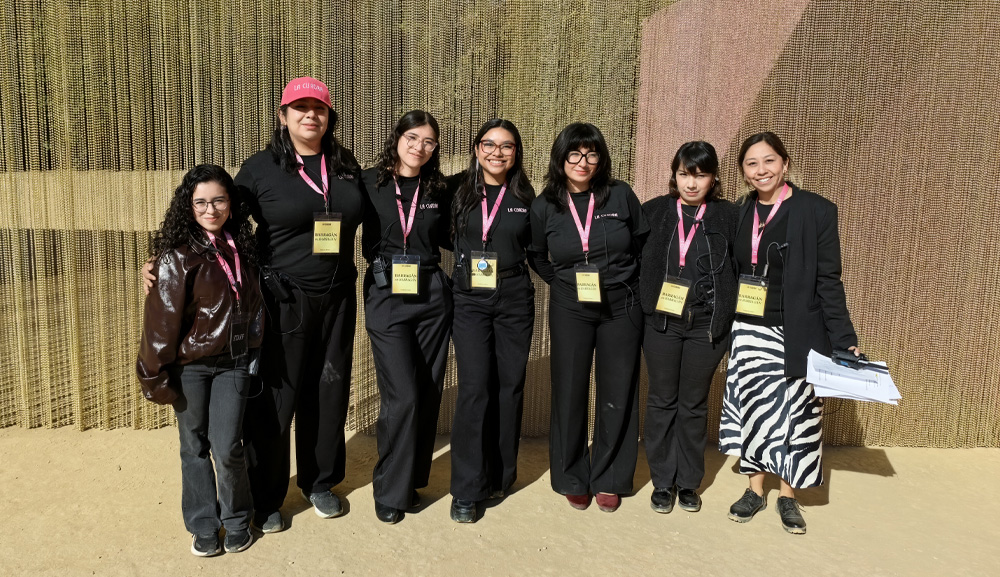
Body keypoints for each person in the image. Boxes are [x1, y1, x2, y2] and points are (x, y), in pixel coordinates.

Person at [145, 77, 365, 532]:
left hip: (338, 295)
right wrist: (161, 259)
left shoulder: (344, 165)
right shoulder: (260, 169)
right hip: (284, 299)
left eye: (318, 108)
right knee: (277, 400)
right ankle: (267, 496)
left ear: (329, 117)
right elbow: (213, 216)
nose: (310, 115)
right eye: (299, 108)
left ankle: (320, 481)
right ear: (282, 116)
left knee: (328, 390)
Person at [719, 131, 862, 535]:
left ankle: (788, 496)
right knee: (755, 412)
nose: (761, 170)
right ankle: (754, 490)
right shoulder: (740, 212)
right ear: (744, 173)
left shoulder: (817, 211)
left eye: (768, 161)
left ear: (784, 163)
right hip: (749, 329)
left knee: (796, 416)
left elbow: (829, 280)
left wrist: (843, 336)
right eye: (751, 163)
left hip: (795, 330)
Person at [137, 164, 263, 557]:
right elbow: (161, 325)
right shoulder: (177, 258)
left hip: (234, 363)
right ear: (188, 206)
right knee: (193, 445)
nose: (211, 209)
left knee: (227, 446)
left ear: (231, 203)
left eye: (219, 200)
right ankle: (203, 523)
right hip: (191, 367)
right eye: (201, 202)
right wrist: (153, 377)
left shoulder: (243, 245)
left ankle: (237, 518)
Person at [528, 122, 649, 513]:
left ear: (601, 158)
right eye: (574, 154)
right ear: (560, 158)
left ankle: (611, 476)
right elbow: (535, 255)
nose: (583, 162)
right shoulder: (545, 204)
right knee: (569, 389)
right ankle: (571, 474)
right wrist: (563, 284)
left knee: (618, 391)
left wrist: (629, 283)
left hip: (621, 306)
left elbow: (643, 244)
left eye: (591, 153)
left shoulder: (621, 195)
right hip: (570, 308)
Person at [361, 110, 453, 524]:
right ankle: (390, 490)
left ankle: (412, 479)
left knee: (428, 391)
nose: (419, 147)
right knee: (403, 395)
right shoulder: (367, 182)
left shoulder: (441, 187)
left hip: (432, 292)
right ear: (396, 138)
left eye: (429, 142)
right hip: (386, 294)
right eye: (412, 137)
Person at [640, 141, 738, 515]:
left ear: (713, 178)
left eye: (700, 175)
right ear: (674, 176)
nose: (691, 184)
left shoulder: (729, 216)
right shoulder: (654, 212)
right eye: (684, 174)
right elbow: (635, 261)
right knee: (662, 400)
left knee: (693, 404)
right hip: (663, 322)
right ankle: (663, 481)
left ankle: (689, 483)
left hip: (706, 326)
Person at [448, 119, 536, 523]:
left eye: (507, 146)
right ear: (476, 148)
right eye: (489, 144)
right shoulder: (456, 190)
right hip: (469, 297)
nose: (497, 152)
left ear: (516, 153)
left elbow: (537, 246)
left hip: (514, 295)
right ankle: (466, 489)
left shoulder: (527, 195)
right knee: (473, 388)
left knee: (509, 385)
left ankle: (500, 474)